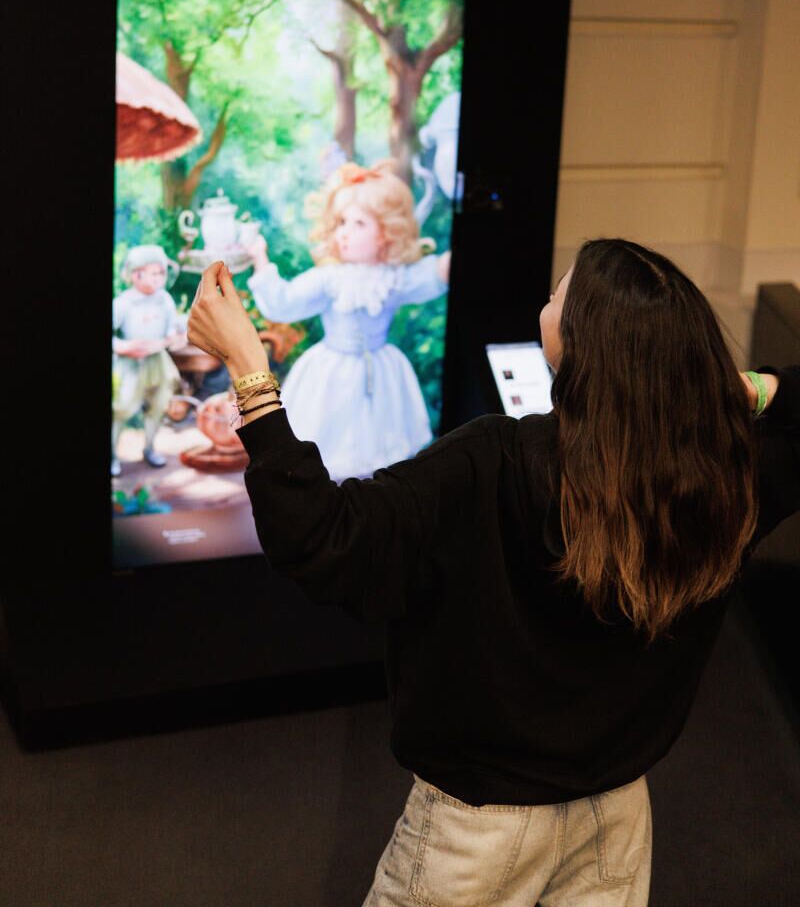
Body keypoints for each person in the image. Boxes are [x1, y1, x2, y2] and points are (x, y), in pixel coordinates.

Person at [187, 238, 799, 906]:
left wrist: (249, 370)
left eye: (559, 294)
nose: (548, 299)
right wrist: (742, 390)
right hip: (619, 814)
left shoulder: (493, 463)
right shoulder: (730, 476)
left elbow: (322, 537)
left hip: (475, 833)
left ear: (579, 345)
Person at [241, 159, 450, 481]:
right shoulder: (330, 279)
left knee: (380, 454)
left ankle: (371, 501)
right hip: (331, 374)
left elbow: (431, 276)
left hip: (382, 374)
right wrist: (259, 257)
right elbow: (283, 304)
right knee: (327, 450)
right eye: (341, 222)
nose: (345, 233)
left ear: (386, 232)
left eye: (359, 224)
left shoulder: (394, 278)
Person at [111, 244, 187, 478]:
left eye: (161, 273)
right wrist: (123, 346)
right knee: (121, 408)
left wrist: (168, 339)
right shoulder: (124, 302)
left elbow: (173, 332)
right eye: (153, 273)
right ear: (136, 275)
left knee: (158, 404)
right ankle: (112, 456)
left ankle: (150, 448)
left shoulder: (164, 300)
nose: (158, 278)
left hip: (158, 361)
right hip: (130, 364)